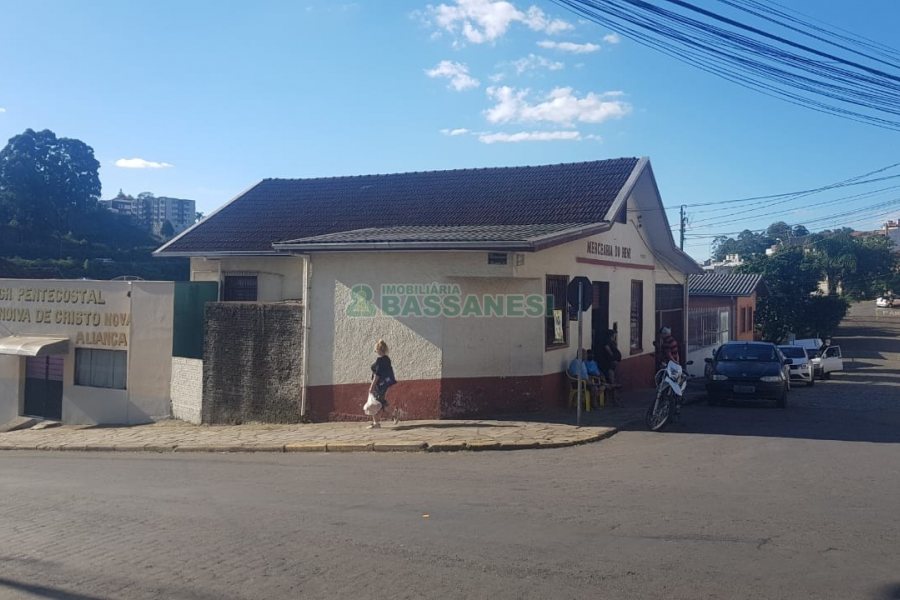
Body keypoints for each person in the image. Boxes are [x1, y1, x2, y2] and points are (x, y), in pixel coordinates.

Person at [368, 339, 397, 429]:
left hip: (379, 385)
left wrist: (371, 387)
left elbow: (377, 375)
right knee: (380, 402)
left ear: (379, 349)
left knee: (375, 403)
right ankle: (378, 421)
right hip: (383, 385)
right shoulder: (387, 359)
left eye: (376, 349)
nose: (375, 351)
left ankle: (378, 422)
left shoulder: (380, 361)